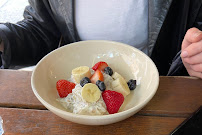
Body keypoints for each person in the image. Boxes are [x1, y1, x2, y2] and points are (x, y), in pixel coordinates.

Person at [0, 0, 202, 79]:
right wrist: (3, 40)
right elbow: (40, 30)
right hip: (77, 95)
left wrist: (192, 59)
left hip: (160, 91)